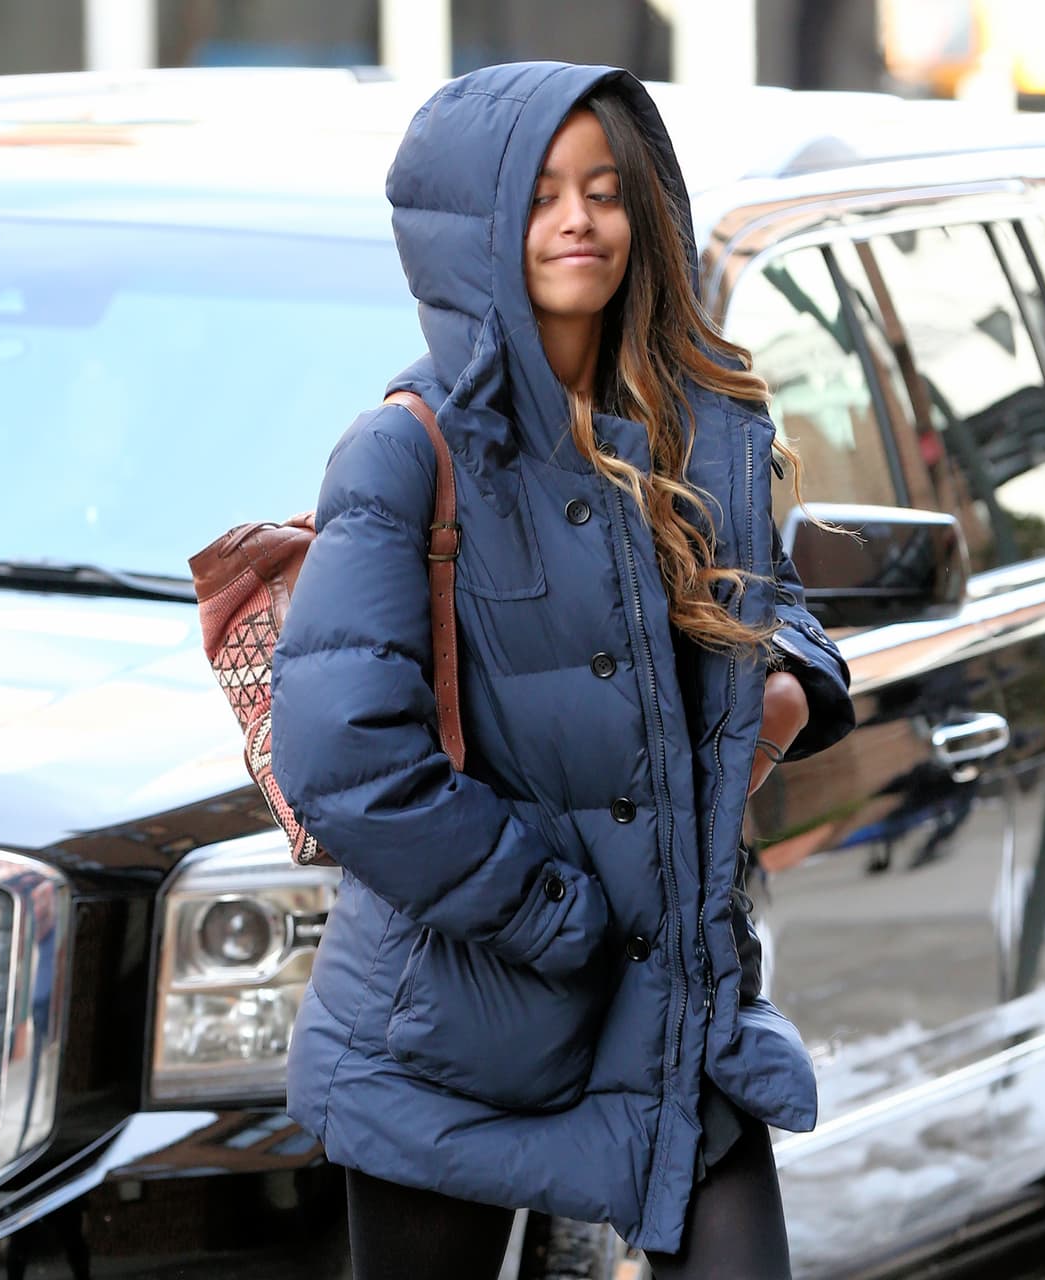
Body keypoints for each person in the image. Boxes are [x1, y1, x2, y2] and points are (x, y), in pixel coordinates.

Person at [271, 61, 854, 1280]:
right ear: (475, 224)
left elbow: (773, 606)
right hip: (454, 1032)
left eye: (601, 188)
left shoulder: (701, 425)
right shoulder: (401, 449)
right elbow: (344, 758)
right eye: (537, 195)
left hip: (677, 1014)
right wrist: (555, 913)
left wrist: (793, 678)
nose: (577, 220)